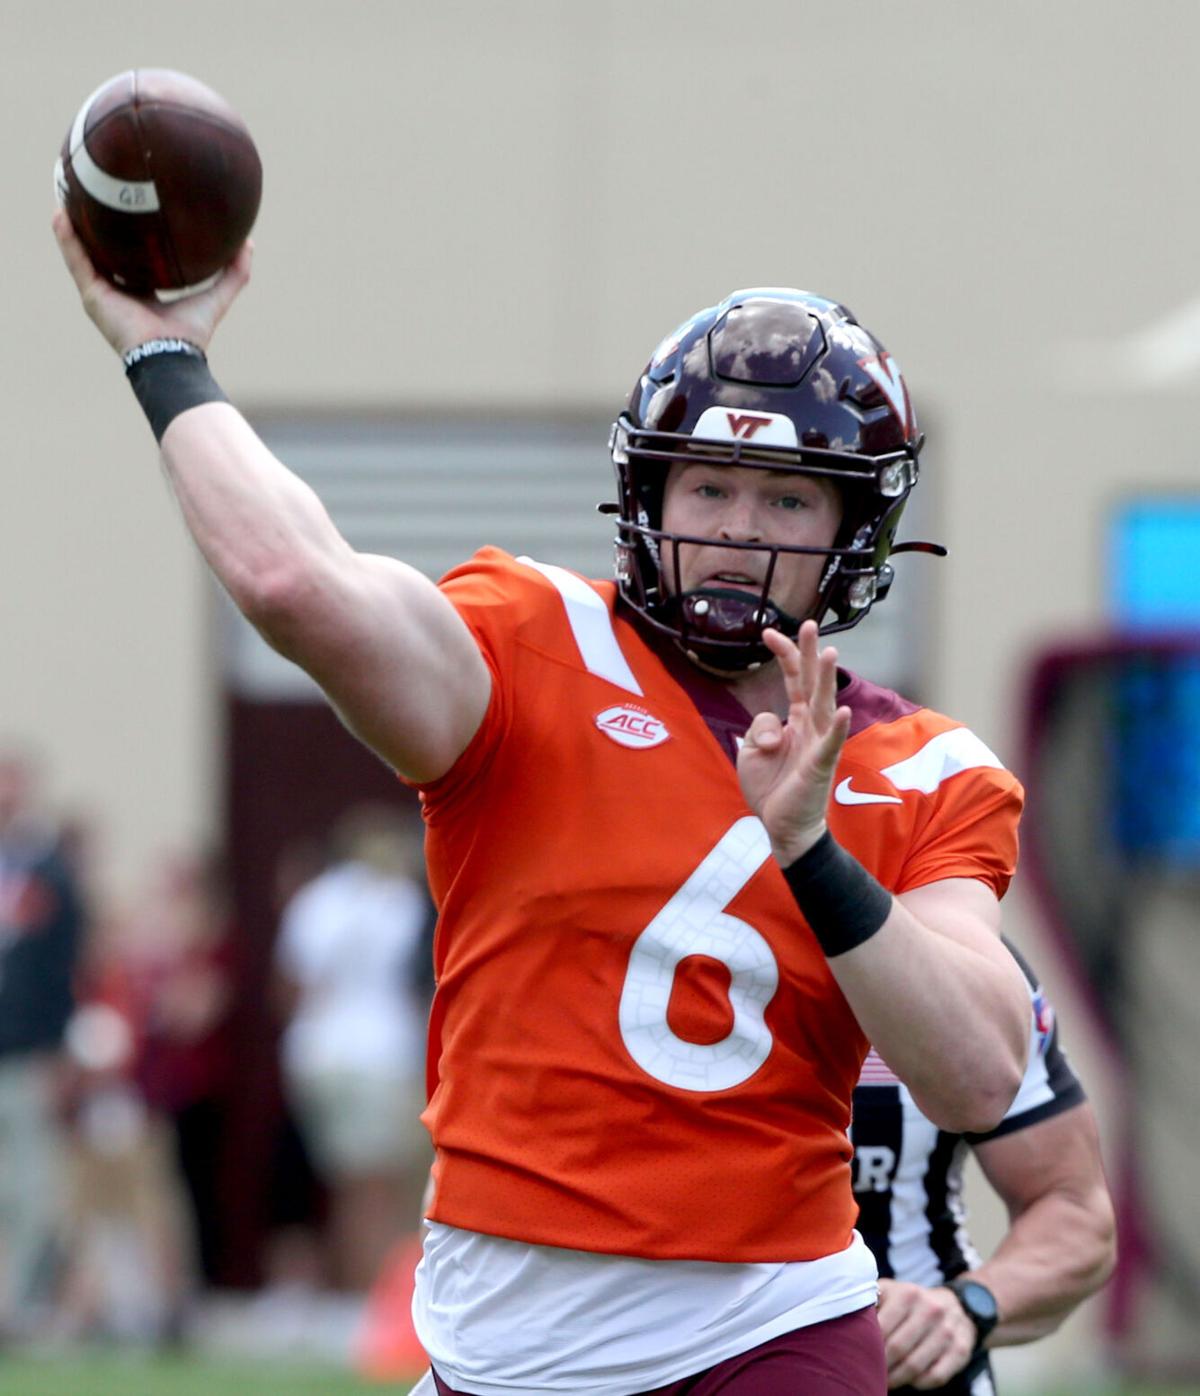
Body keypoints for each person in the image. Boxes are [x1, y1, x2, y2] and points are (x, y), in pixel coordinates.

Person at [54, 212, 1032, 1395]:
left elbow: (978, 1076)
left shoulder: (923, 767)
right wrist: (165, 355)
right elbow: (287, 579)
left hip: (767, 1324)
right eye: (709, 486)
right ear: (647, 492)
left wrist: (812, 850)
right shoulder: (528, 646)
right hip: (502, 1330)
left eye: (786, 500)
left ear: (851, 530)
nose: (735, 533)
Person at [853, 939, 1116, 1393]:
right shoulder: (694, 937)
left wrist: (964, 1308)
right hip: (703, 1354)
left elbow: (1075, 1211)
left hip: (915, 1370)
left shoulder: (963, 956)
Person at [273, 803, 433, 1290]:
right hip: (380, 1056)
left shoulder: (315, 900)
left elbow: (290, 989)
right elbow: (418, 987)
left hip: (317, 1056)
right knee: (382, 1189)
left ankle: (360, 1291)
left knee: (349, 1187)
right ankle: (377, 1296)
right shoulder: (402, 901)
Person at [0, 746, 86, 1340]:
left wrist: (59, 1048)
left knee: (32, 1186)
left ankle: (13, 1303)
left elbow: (64, 968)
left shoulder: (48, 874)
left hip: (26, 1051)